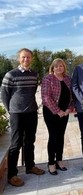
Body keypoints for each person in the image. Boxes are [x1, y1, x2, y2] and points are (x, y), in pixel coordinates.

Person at [1, 48, 45, 187]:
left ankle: (30, 166)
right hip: (17, 114)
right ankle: (12, 175)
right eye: (23, 57)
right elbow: (4, 95)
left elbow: (32, 92)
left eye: (28, 57)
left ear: (31, 59)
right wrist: (11, 110)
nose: (26, 59)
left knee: (30, 141)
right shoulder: (10, 75)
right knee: (15, 144)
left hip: (31, 112)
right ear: (19, 58)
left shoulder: (34, 74)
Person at [41, 58, 73, 175]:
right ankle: (51, 163)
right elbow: (46, 97)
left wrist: (69, 109)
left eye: (61, 66)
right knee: (53, 136)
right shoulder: (48, 79)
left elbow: (72, 96)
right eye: (56, 66)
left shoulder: (68, 79)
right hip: (51, 113)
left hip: (64, 113)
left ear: (64, 67)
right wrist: (58, 111)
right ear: (52, 68)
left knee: (61, 136)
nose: (59, 68)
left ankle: (59, 160)